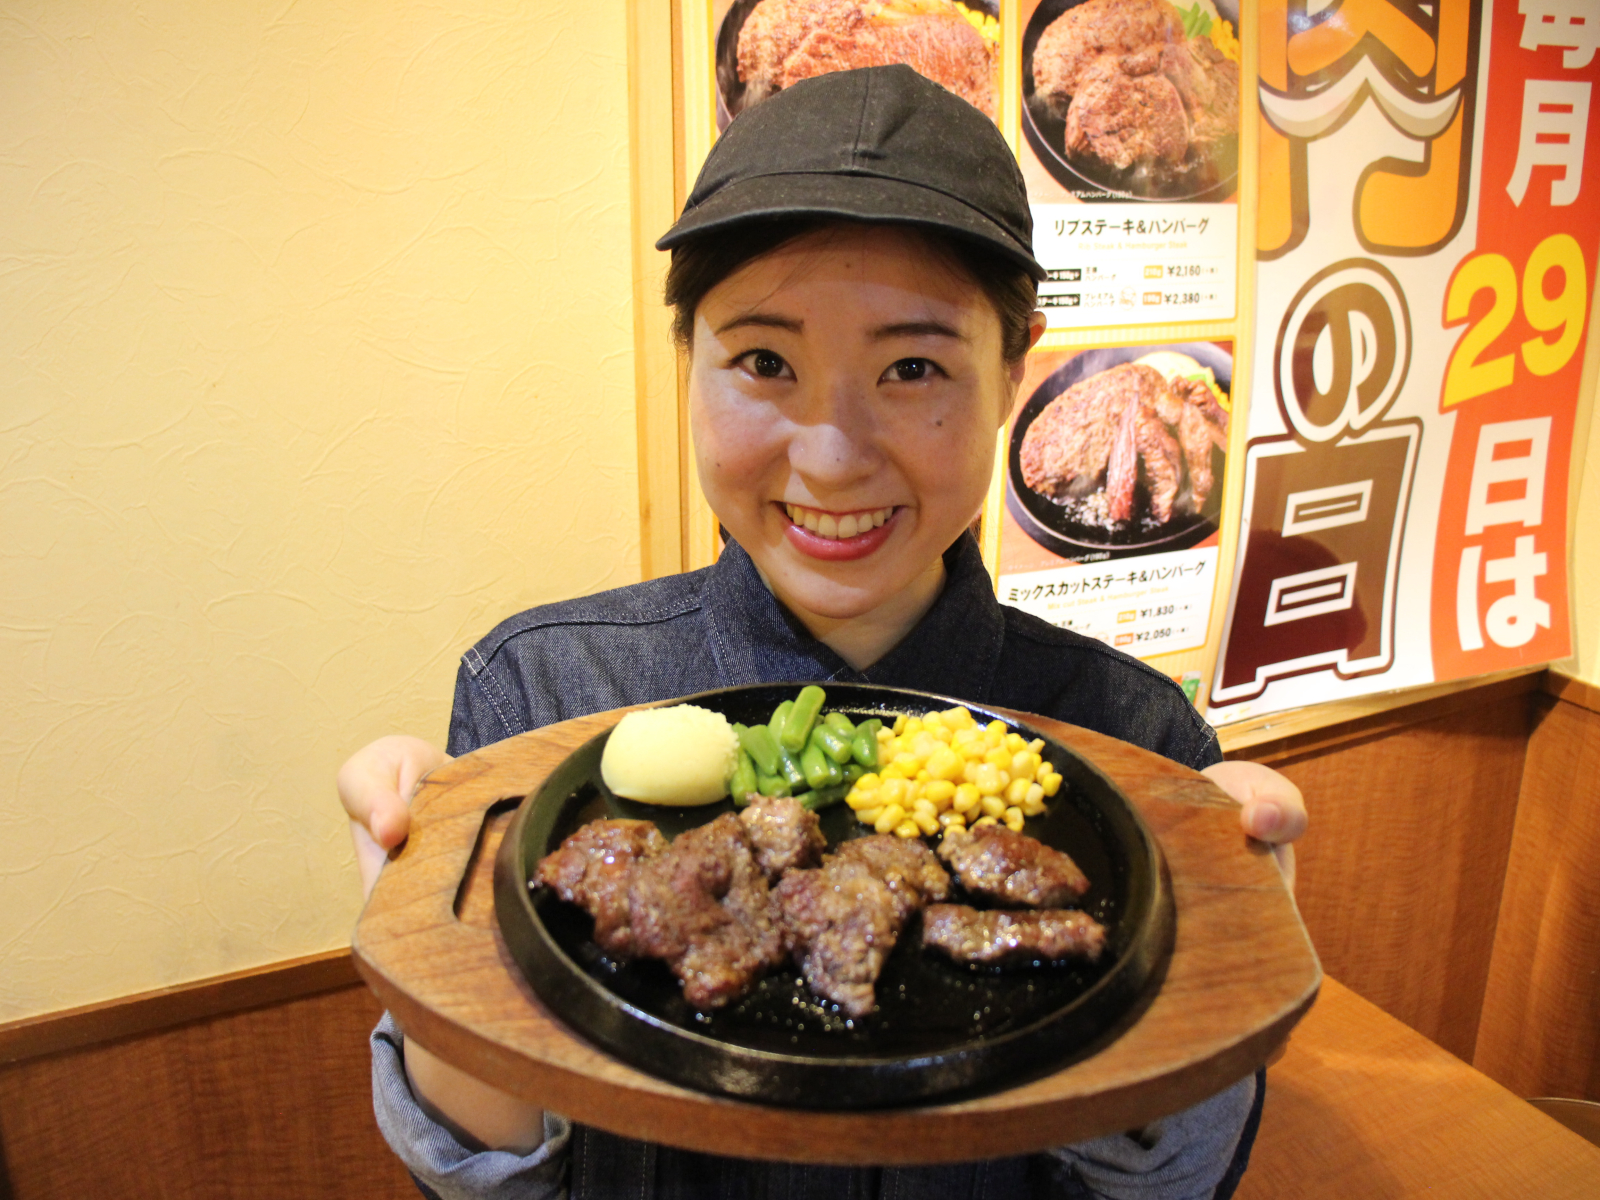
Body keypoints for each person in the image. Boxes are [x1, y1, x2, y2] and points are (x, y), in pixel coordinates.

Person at [339, 64, 1307, 1200]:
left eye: (911, 367)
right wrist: (440, 982)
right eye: (763, 362)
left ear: (1012, 370)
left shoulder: (1133, 742)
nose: (833, 455)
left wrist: (1219, 993)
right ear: (684, 358)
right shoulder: (540, 695)